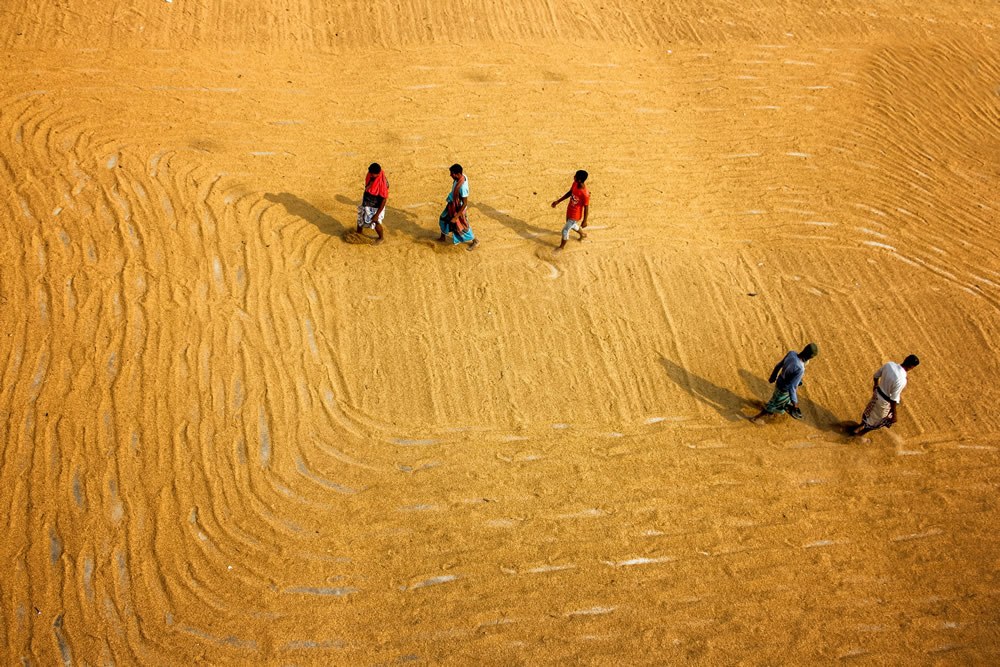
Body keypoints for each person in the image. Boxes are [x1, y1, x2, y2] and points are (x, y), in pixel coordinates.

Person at [851, 355, 919, 436]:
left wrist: (876, 385)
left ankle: (859, 426)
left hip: (877, 394)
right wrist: (894, 414)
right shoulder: (902, 380)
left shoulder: (889, 365)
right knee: (876, 423)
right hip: (884, 402)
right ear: (912, 367)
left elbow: (876, 376)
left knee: (869, 412)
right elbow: (893, 398)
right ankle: (857, 436)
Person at [752, 343, 818, 423]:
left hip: (780, 381)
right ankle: (756, 418)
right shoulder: (801, 369)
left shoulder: (792, 353)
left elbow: (778, 365)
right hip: (784, 389)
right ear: (811, 357)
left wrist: (773, 376)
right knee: (772, 405)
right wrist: (796, 405)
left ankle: (778, 407)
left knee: (781, 402)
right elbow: (792, 388)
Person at [437, 164, 478, 250]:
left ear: (458, 174)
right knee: (443, 218)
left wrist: (456, 217)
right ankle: (442, 237)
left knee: (463, 227)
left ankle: (475, 240)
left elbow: (465, 203)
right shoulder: (461, 177)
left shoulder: (463, 188)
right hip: (452, 204)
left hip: (458, 208)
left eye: (452, 174)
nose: (450, 175)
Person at [551, 170, 590, 252]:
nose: (574, 177)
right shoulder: (575, 184)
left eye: (575, 176)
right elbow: (570, 193)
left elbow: (586, 207)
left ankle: (561, 247)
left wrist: (585, 221)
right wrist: (558, 201)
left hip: (575, 215)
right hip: (570, 209)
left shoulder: (585, 194)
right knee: (570, 225)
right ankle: (582, 234)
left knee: (565, 230)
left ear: (579, 180)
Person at [356, 163, 388, 245]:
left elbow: (384, 200)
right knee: (360, 217)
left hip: (375, 205)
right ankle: (358, 234)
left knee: (375, 221)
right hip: (367, 200)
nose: (370, 175)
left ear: (377, 174)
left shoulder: (383, 184)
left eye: (372, 174)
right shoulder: (370, 175)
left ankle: (381, 238)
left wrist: (377, 214)